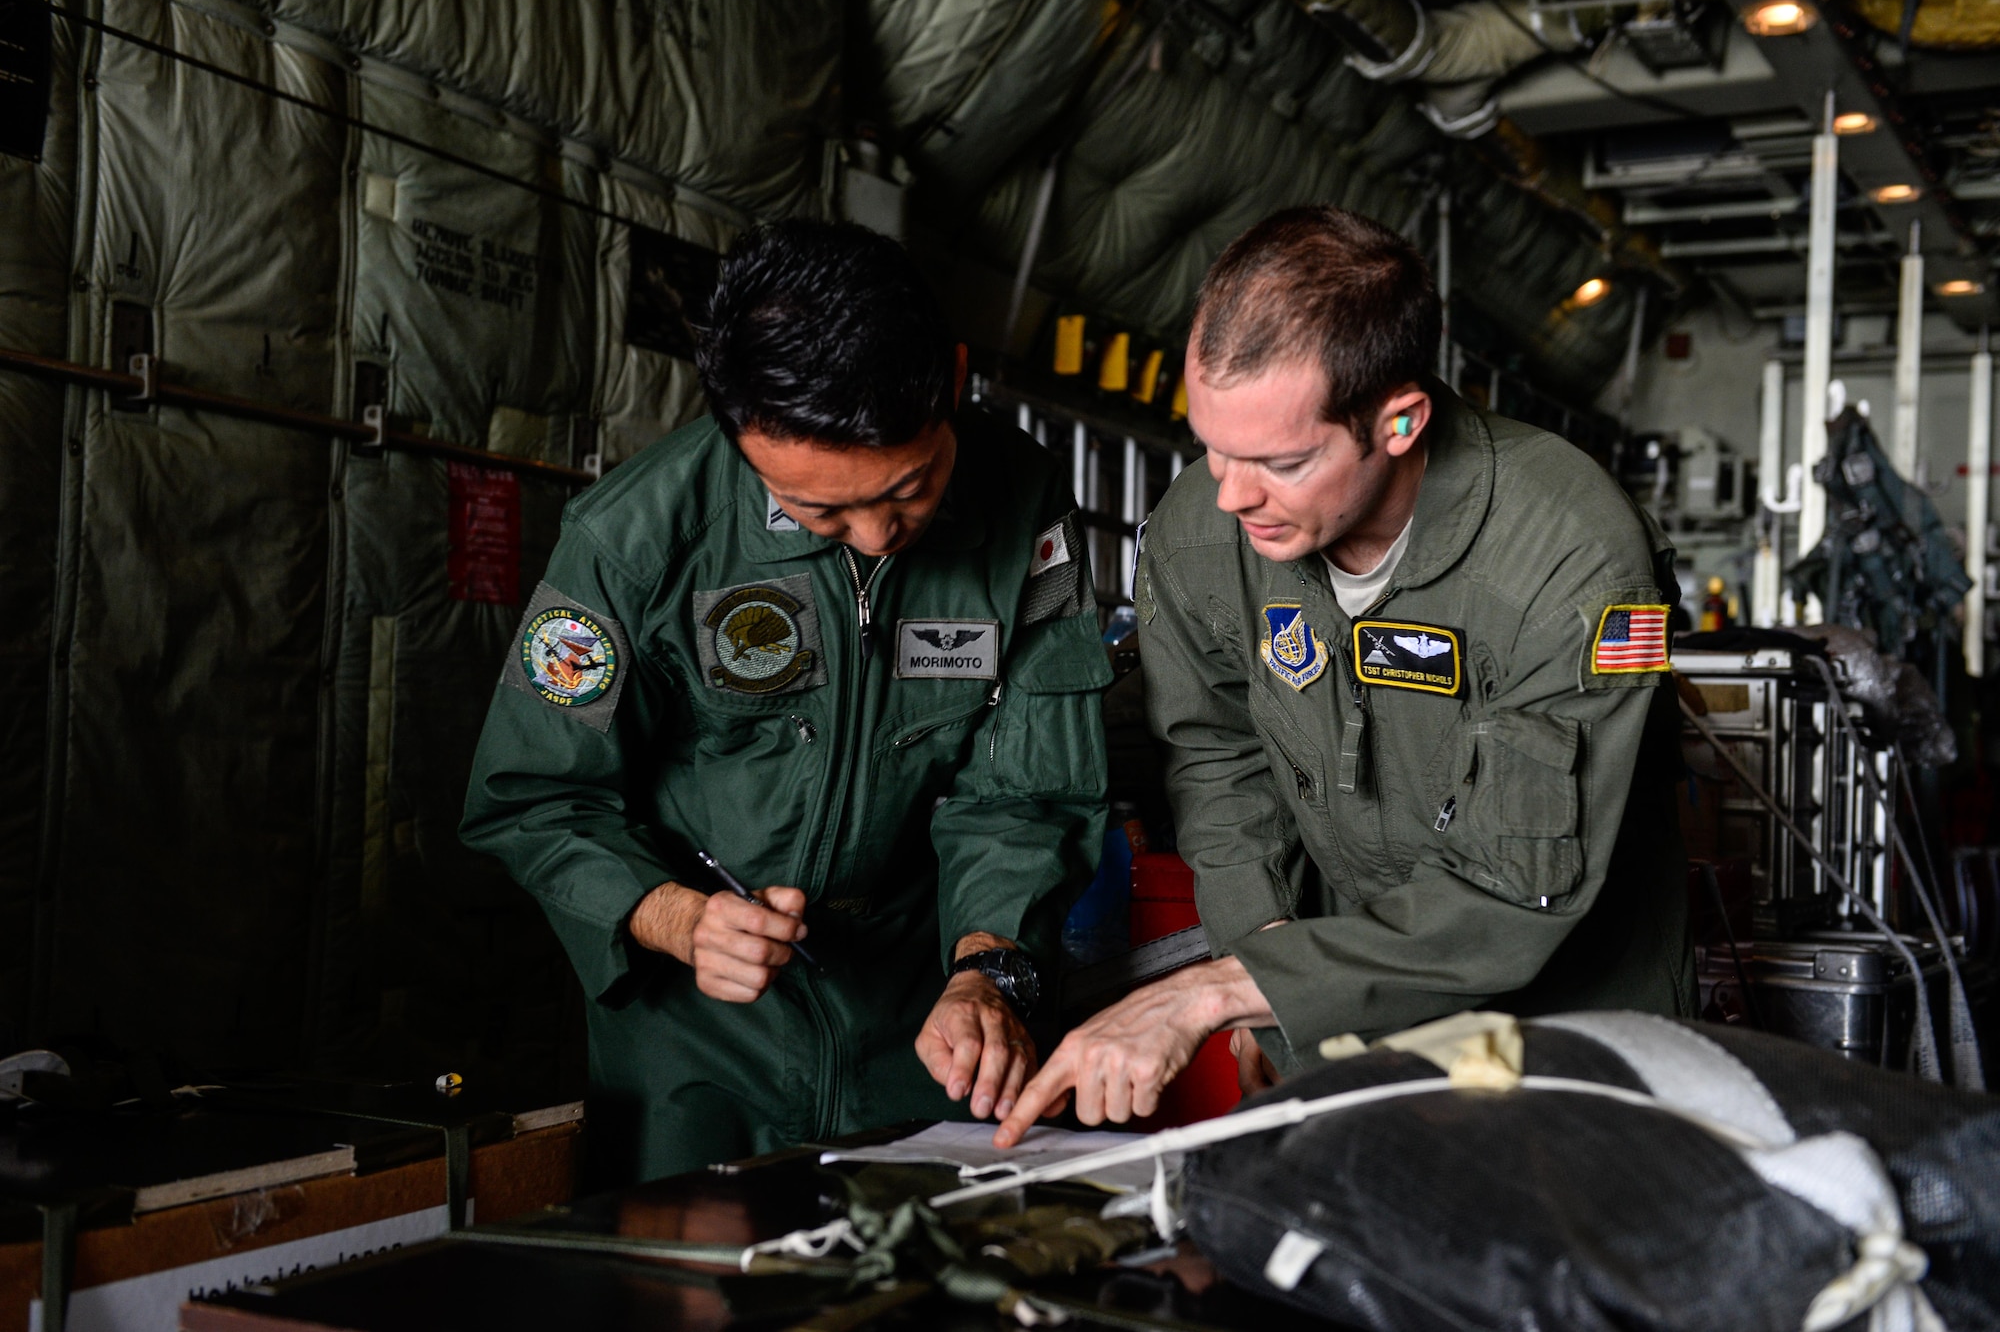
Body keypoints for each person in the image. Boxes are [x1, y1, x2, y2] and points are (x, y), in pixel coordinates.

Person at [996, 206, 1692, 1146]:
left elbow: (1511, 888)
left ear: (1400, 421)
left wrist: (1222, 990)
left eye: (1282, 461)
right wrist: (1273, 964)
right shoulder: (1205, 536)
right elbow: (1219, 754)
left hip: (1571, 1036)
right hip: (1345, 1027)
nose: (1234, 492)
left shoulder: (1574, 560)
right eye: (1212, 445)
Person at [463, 220, 1110, 1180]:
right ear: (739, 437)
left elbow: (1026, 789)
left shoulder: (1026, 508)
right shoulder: (634, 540)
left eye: (909, 488)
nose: (877, 536)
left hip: (921, 1018)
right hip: (695, 1038)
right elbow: (533, 795)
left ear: (955, 379)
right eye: (822, 511)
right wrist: (674, 917)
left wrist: (987, 970)